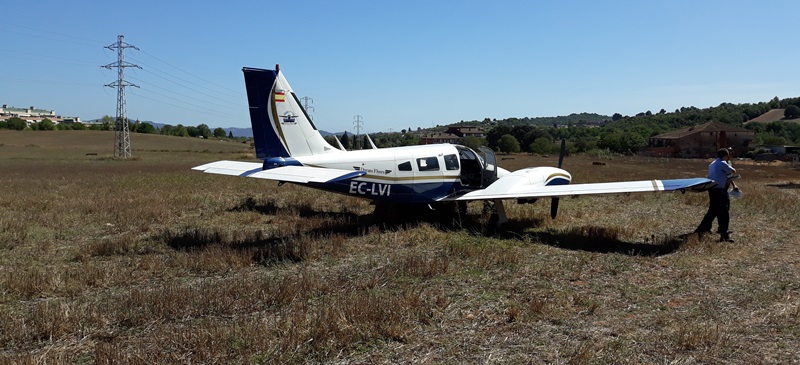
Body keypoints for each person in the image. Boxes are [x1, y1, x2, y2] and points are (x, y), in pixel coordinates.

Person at [695, 148, 738, 242]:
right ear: (726, 155)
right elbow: (733, 171)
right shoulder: (722, 163)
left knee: (713, 211)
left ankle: (702, 229)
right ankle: (724, 235)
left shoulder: (712, 163)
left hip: (712, 190)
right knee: (724, 213)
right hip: (720, 191)